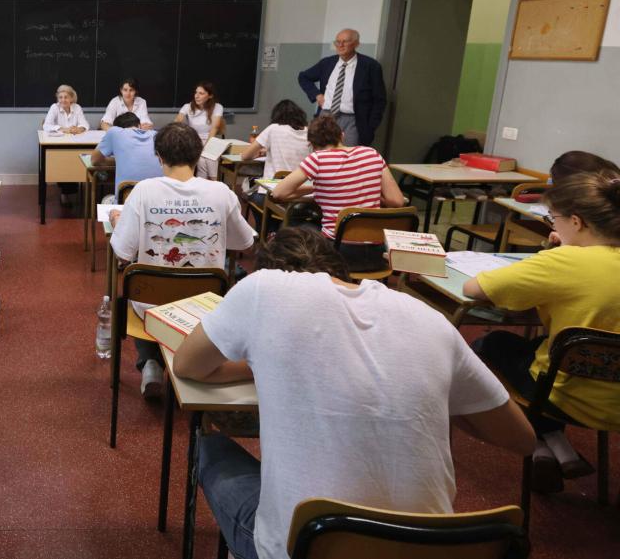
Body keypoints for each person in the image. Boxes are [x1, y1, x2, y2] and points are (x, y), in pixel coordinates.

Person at [174, 227, 535, 559]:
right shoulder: (429, 317)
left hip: (309, 546)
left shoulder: (263, 288)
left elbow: (188, 365)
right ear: (340, 270)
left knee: (210, 449)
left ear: (269, 269)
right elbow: (522, 439)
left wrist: (260, 361)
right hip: (431, 549)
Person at [465, 170, 620, 493]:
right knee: (546, 346)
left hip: (569, 395)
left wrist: (555, 253)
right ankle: (556, 446)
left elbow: (474, 288)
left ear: (576, 222)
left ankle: (536, 443)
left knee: (489, 344)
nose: (553, 226)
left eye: (554, 219)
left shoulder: (565, 262)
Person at [109, 122, 256, 398]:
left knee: (147, 298)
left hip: (151, 301)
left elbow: (122, 252)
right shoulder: (221, 192)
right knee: (201, 301)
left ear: (159, 157)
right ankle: (198, 359)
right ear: (198, 156)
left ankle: (150, 361)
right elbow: (245, 242)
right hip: (206, 302)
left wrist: (119, 222)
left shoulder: (143, 191)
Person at [272, 114, 405, 266]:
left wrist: (315, 187)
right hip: (378, 253)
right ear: (342, 135)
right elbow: (397, 201)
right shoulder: (372, 153)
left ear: (311, 144)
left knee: (295, 215)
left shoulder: (317, 159)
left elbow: (278, 193)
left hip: (337, 252)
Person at [296, 28, 387, 146]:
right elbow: (303, 77)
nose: (340, 45)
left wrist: (371, 126)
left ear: (356, 44)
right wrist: (316, 94)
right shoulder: (327, 63)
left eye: (345, 41)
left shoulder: (370, 66)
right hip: (326, 116)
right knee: (320, 151)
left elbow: (379, 99)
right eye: (337, 42)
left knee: (347, 154)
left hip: (353, 119)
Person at [239, 99, 312, 200]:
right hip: (303, 193)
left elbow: (245, 156)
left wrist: (257, 154)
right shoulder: (309, 131)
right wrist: (267, 151)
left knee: (247, 191)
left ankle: (265, 216)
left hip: (274, 192)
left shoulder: (273, 128)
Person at [90, 112, 161, 199]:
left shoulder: (115, 132)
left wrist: (118, 160)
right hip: (156, 200)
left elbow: (94, 160)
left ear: (119, 128)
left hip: (126, 202)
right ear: (139, 125)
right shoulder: (156, 135)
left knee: (107, 199)